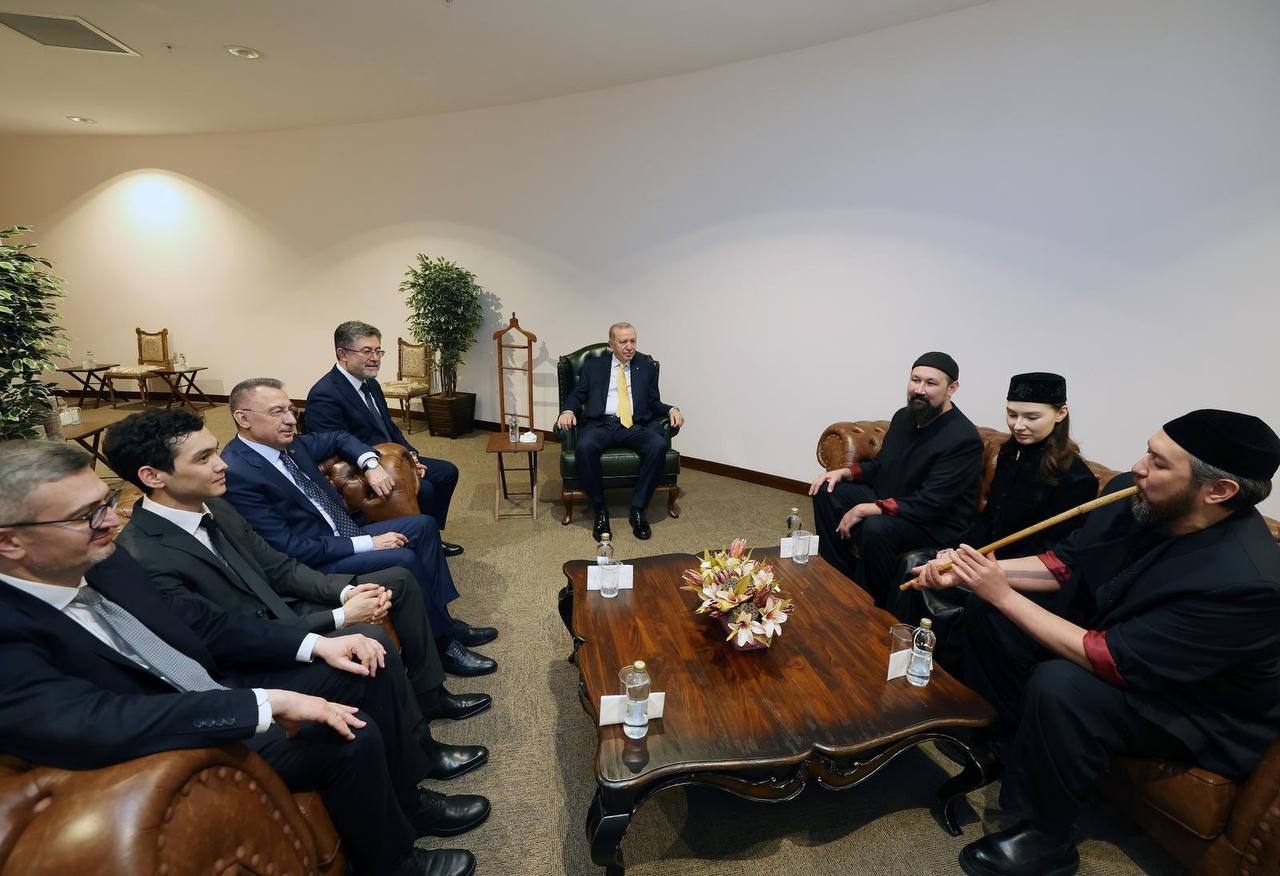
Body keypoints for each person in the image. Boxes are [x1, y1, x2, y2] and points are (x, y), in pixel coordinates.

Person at [0, 440, 485, 876]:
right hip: (175, 738)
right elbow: (95, 720)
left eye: (105, 503)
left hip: (220, 683)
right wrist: (263, 704)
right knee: (350, 735)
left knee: (361, 667)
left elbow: (207, 625)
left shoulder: (103, 561)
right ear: (9, 540)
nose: (110, 521)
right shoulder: (13, 630)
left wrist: (319, 644)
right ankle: (396, 865)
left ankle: (412, 803)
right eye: (85, 516)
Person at [913, 409, 1280, 876]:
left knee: (1062, 684)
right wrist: (972, 573)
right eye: (1148, 451)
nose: (1139, 467)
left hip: (1195, 707)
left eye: (1159, 463)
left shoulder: (1247, 581)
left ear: (1219, 491)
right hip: (1123, 641)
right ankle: (1007, 745)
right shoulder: (1137, 496)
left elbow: (1112, 659)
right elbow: (1062, 564)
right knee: (991, 613)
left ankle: (1048, 839)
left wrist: (1001, 593)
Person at [106, 409, 491, 781]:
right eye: (204, 458)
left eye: (216, 451)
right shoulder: (144, 556)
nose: (221, 464)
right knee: (369, 638)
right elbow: (225, 635)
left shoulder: (215, 506)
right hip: (253, 653)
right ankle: (421, 754)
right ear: (152, 475)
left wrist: (347, 591)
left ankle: (430, 695)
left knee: (396, 579)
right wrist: (340, 617)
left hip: (281, 608)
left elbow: (279, 568)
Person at [219, 378, 497, 678]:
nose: (290, 420)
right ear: (243, 418)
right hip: (315, 561)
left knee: (424, 526)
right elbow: (288, 548)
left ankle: (444, 623)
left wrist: (370, 463)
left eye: (291, 410)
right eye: (277, 412)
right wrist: (368, 543)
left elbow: (339, 437)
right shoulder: (238, 473)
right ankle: (442, 646)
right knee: (403, 558)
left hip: (343, 532)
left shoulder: (291, 444)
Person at [885, 373, 1099, 659]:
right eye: (1012, 414)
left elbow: (1055, 558)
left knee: (946, 585)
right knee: (914, 564)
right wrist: (955, 550)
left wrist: (976, 566)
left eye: (1031, 417)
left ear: (1061, 413)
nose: (1018, 425)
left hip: (1022, 578)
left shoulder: (1076, 478)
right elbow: (988, 520)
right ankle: (895, 649)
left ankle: (934, 665)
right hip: (983, 558)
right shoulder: (1010, 453)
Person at [809, 352, 983, 604]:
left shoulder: (963, 438)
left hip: (934, 524)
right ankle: (837, 579)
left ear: (952, 388)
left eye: (931, 383)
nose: (919, 390)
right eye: (915, 380)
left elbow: (930, 504)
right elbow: (883, 466)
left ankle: (866, 604)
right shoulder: (904, 417)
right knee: (827, 489)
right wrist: (845, 472)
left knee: (876, 527)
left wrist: (867, 508)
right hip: (896, 502)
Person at [305, 320, 463, 556]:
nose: (375, 358)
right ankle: (414, 540)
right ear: (342, 353)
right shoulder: (325, 394)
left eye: (378, 351)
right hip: (359, 467)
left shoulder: (370, 384)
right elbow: (332, 449)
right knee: (426, 489)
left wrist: (410, 455)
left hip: (391, 456)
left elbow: (390, 429)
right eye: (367, 351)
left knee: (447, 472)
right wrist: (375, 463)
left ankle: (430, 536)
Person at [556, 322, 684, 541]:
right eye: (623, 341)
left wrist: (672, 409)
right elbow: (578, 394)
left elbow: (654, 402)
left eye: (633, 340)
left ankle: (638, 509)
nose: (629, 346)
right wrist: (567, 411)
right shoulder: (594, 366)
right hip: (601, 424)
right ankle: (600, 510)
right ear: (611, 344)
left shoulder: (646, 366)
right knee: (585, 447)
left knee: (657, 445)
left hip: (633, 425)